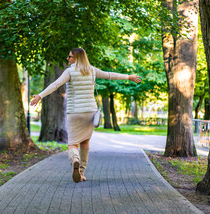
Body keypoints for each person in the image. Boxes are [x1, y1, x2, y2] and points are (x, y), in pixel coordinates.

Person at [30, 47, 142, 183]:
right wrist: (129, 77)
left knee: (72, 144)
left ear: (76, 58)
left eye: (70, 57)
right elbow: (109, 75)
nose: (68, 59)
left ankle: (75, 159)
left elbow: (55, 85)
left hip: (74, 112)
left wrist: (39, 96)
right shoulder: (92, 70)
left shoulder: (70, 71)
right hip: (90, 112)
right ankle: (81, 172)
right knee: (85, 143)